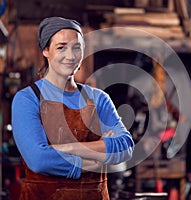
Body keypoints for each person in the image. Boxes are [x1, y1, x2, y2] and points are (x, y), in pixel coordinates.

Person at [11, 17, 134, 200]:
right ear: (46, 51)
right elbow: (39, 160)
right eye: (61, 47)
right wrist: (95, 157)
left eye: (76, 47)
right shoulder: (27, 99)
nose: (70, 56)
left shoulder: (98, 99)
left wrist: (68, 147)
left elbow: (125, 147)